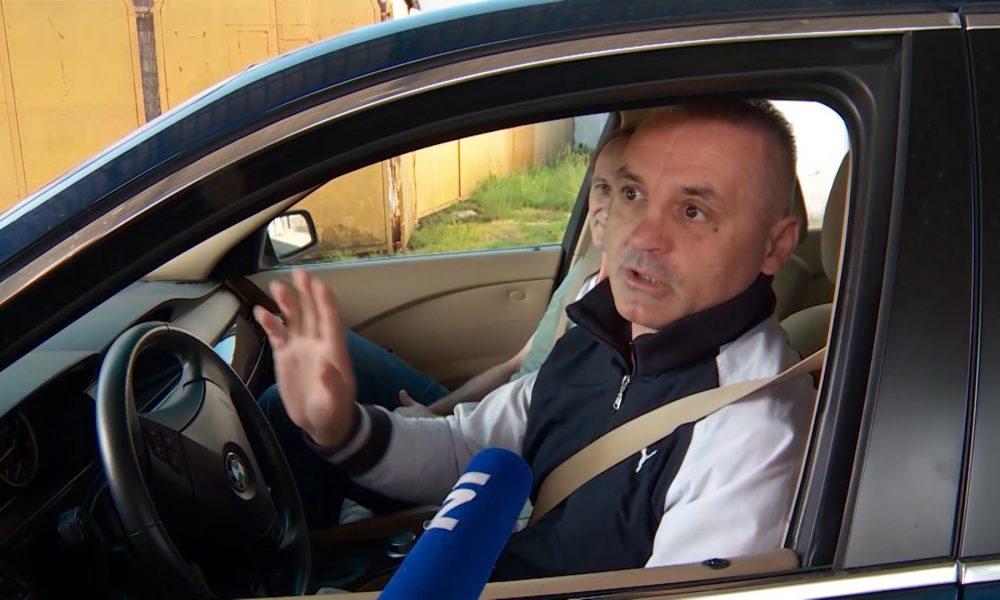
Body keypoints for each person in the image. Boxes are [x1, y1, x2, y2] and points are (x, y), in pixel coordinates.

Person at [254, 99, 815, 579]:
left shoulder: (753, 430)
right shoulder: (603, 330)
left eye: (693, 210)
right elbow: (471, 447)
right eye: (632, 193)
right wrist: (339, 428)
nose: (643, 234)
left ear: (776, 246)